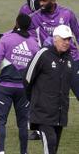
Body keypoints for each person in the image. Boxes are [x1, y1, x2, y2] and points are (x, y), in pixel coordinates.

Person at [0, 14, 39, 154]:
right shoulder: (34, 44)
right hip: (23, 91)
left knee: (0, 121)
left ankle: (1, 152)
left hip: (5, 89)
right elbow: (37, 70)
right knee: (22, 124)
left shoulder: (6, 39)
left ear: (16, 23)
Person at [29, 0, 79, 140]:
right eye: (40, 1)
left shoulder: (67, 14)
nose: (41, 4)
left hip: (72, 59)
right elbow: (29, 35)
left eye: (44, 1)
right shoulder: (35, 17)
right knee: (45, 95)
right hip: (48, 61)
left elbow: (77, 33)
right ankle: (38, 129)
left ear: (53, 1)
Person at [24, 25, 73, 154]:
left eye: (69, 39)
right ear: (55, 39)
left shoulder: (69, 59)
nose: (67, 42)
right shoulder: (43, 54)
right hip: (42, 113)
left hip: (60, 114)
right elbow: (27, 79)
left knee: (53, 147)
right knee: (50, 144)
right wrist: (35, 100)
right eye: (64, 39)